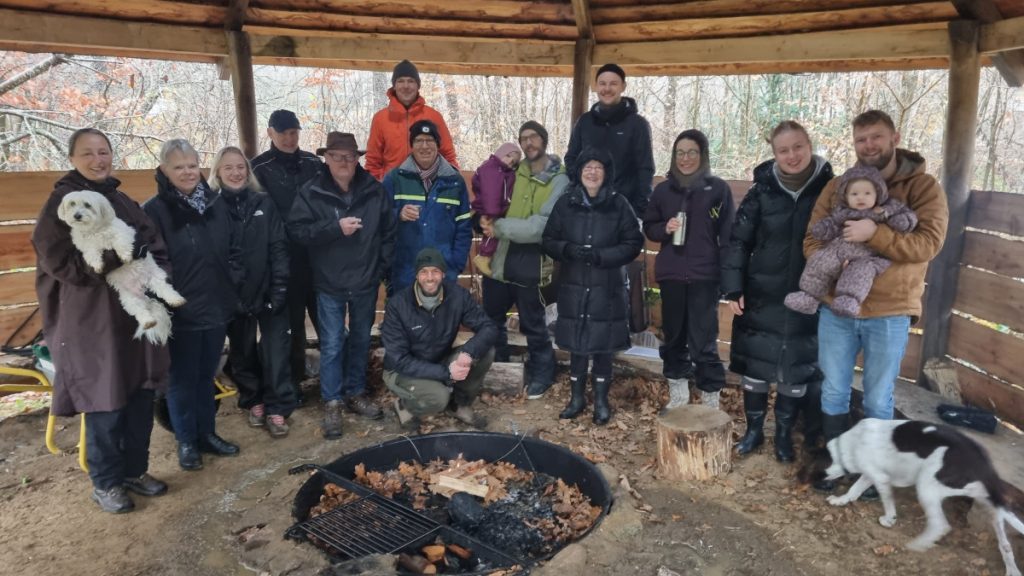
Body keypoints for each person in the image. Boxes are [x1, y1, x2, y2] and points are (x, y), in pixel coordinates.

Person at [804, 110, 948, 490]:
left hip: (890, 310)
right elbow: (813, 239)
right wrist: (833, 261)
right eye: (861, 139)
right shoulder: (838, 186)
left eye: (876, 137)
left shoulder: (923, 187)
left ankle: (871, 472)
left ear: (894, 138)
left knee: (878, 398)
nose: (868, 145)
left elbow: (928, 243)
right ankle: (838, 460)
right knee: (834, 389)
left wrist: (875, 234)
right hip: (837, 305)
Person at [33, 128, 170, 513]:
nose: (98, 160)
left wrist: (155, 279)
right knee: (105, 400)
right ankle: (106, 482)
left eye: (104, 152)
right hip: (93, 322)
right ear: (73, 158)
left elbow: (154, 245)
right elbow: (62, 264)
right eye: (88, 153)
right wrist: (119, 259)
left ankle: (134, 470)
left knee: (141, 395)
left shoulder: (121, 200)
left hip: (135, 316)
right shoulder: (63, 205)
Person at [721, 121, 834, 463]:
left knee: (796, 370)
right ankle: (754, 431)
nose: (792, 155)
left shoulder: (830, 190)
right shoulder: (761, 192)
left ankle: (783, 434)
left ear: (809, 145)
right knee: (755, 368)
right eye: (783, 150)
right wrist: (733, 287)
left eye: (798, 147)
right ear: (775, 154)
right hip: (761, 295)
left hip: (809, 296)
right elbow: (738, 241)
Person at [288, 132, 397, 439]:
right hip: (329, 282)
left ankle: (355, 392)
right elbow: (297, 231)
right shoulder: (311, 192)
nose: (344, 162)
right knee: (333, 343)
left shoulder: (374, 191)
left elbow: (389, 233)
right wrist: (334, 228)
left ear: (357, 159)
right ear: (326, 158)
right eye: (337, 156)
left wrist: (379, 270)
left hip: (365, 281)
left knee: (361, 340)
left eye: (349, 156)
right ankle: (332, 401)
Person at [144, 138, 242, 471]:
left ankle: (207, 433)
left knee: (205, 376)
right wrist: (166, 301)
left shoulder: (215, 204)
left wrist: (232, 282)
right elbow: (150, 264)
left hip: (216, 305)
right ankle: (186, 441)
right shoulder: (154, 211)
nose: (187, 172)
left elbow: (234, 248)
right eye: (179, 167)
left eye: (191, 165)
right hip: (180, 310)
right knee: (182, 379)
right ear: (164, 170)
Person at [542, 148, 644, 425]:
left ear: (606, 173)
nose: (593, 172)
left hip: (607, 288)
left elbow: (633, 243)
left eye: (598, 167)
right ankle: (576, 399)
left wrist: (602, 256)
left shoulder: (619, 204)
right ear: (579, 172)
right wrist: (568, 250)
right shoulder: (566, 203)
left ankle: (601, 401)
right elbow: (549, 239)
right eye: (588, 167)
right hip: (574, 287)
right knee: (577, 346)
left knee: (602, 346)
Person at [642, 129, 735, 412]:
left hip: (704, 276)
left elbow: (728, 235)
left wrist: (729, 278)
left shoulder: (718, 189)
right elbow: (650, 227)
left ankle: (710, 399)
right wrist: (665, 228)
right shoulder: (663, 190)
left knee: (703, 340)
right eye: (680, 153)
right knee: (674, 337)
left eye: (692, 152)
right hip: (671, 275)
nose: (685, 158)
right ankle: (679, 394)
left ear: (702, 155)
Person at [479, 121, 568, 399]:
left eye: (534, 137)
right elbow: (491, 196)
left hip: (532, 261)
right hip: (500, 259)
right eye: (523, 138)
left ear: (544, 140)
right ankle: (499, 366)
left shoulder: (559, 180)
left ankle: (543, 372)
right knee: (492, 318)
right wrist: (481, 217)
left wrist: (499, 227)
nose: (528, 142)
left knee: (533, 323)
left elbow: (542, 226)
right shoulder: (512, 171)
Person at [210, 146, 294, 438]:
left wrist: (279, 287)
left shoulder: (263, 203)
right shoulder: (212, 207)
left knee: (276, 350)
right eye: (228, 167)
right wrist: (229, 294)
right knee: (242, 350)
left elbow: (279, 246)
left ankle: (277, 406)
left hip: (268, 289)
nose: (235, 173)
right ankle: (253, 399)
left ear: (248, 171)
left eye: (240, 167)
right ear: (218, 172)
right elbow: (213, 255)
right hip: (234, 295)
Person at [251, 110, 323, 404]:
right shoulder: (259, 168)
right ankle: (293, 383)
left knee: (326, 322)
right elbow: (259, 214)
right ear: (270, 133)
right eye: (283, 133)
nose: (289, 139)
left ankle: (335, 380)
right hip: (284, 260)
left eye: (294, 132)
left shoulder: (313, 163)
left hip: (317, 258)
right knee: (291, 326)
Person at [381, 248, 497, 429]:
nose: (430, 278)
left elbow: (488, 327)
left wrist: (468, 353)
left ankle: (458, 405)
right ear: (416, 275)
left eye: (435, 271)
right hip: (402, 370)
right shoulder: (398, 305)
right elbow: (399, 359)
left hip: (439, 358)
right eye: (424, 272)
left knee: (485, 352)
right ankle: (404, 405)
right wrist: (446, 373)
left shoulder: (457, 295)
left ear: (443, 274)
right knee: (438, 398)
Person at [786, 165, 918, 318]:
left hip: (867, 256)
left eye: (867, 193)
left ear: (878, 194)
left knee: (860, 273)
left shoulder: (885, 210)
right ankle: (809, 296)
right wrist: (823, 229)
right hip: (838, 251)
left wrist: (900, 221)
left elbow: (908, 216)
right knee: (820, 262)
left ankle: (848, 300)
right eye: (854, 194)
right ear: (846, 196)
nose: (861, 198)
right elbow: (832, 223)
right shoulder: (843, 212)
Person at [383, 119, 472, 292]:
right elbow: (379, 219)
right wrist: (398, 214)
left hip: (443, 272)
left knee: (443, 311)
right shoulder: (394, 179)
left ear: (438, 145)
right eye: (418, 141)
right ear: (412, 146)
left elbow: (464, 228)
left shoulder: (454, 182)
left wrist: (455, 264)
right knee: (403, 311)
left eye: (430, 140)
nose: (424, 146)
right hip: (403, 272)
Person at [565, 63, 654, 218]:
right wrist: (581, 187)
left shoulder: (637, 124)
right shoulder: (584, 122)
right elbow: (571, 158)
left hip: (624, 208)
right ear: (596, 86)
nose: (607, 89)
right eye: (602, 83)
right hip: (587, 207)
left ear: (623, 86)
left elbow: (645, 168)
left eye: (613, 84)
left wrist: (638, 209)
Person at [365, 60, 459, 180]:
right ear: (394, 86)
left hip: (429, 185)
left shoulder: (434, 116)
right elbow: (373, 162)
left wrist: (450, 183)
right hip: (392, 185)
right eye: (401, 81)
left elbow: (448, 156)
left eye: (411, 81)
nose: (406, 86)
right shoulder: (380, 118)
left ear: (418, 86)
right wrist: (378, 185)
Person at [471, 142, 520, 277]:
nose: (509, 162)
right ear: (500, 153)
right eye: (508, 156)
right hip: (489, 209)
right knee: (492, 231)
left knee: (495, 232)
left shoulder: (502, 170)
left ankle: (486, 256)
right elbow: (491, 193)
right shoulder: (492, 169)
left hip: (496, 208)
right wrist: (491, 214)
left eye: (513, 161)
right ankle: (484, 256)